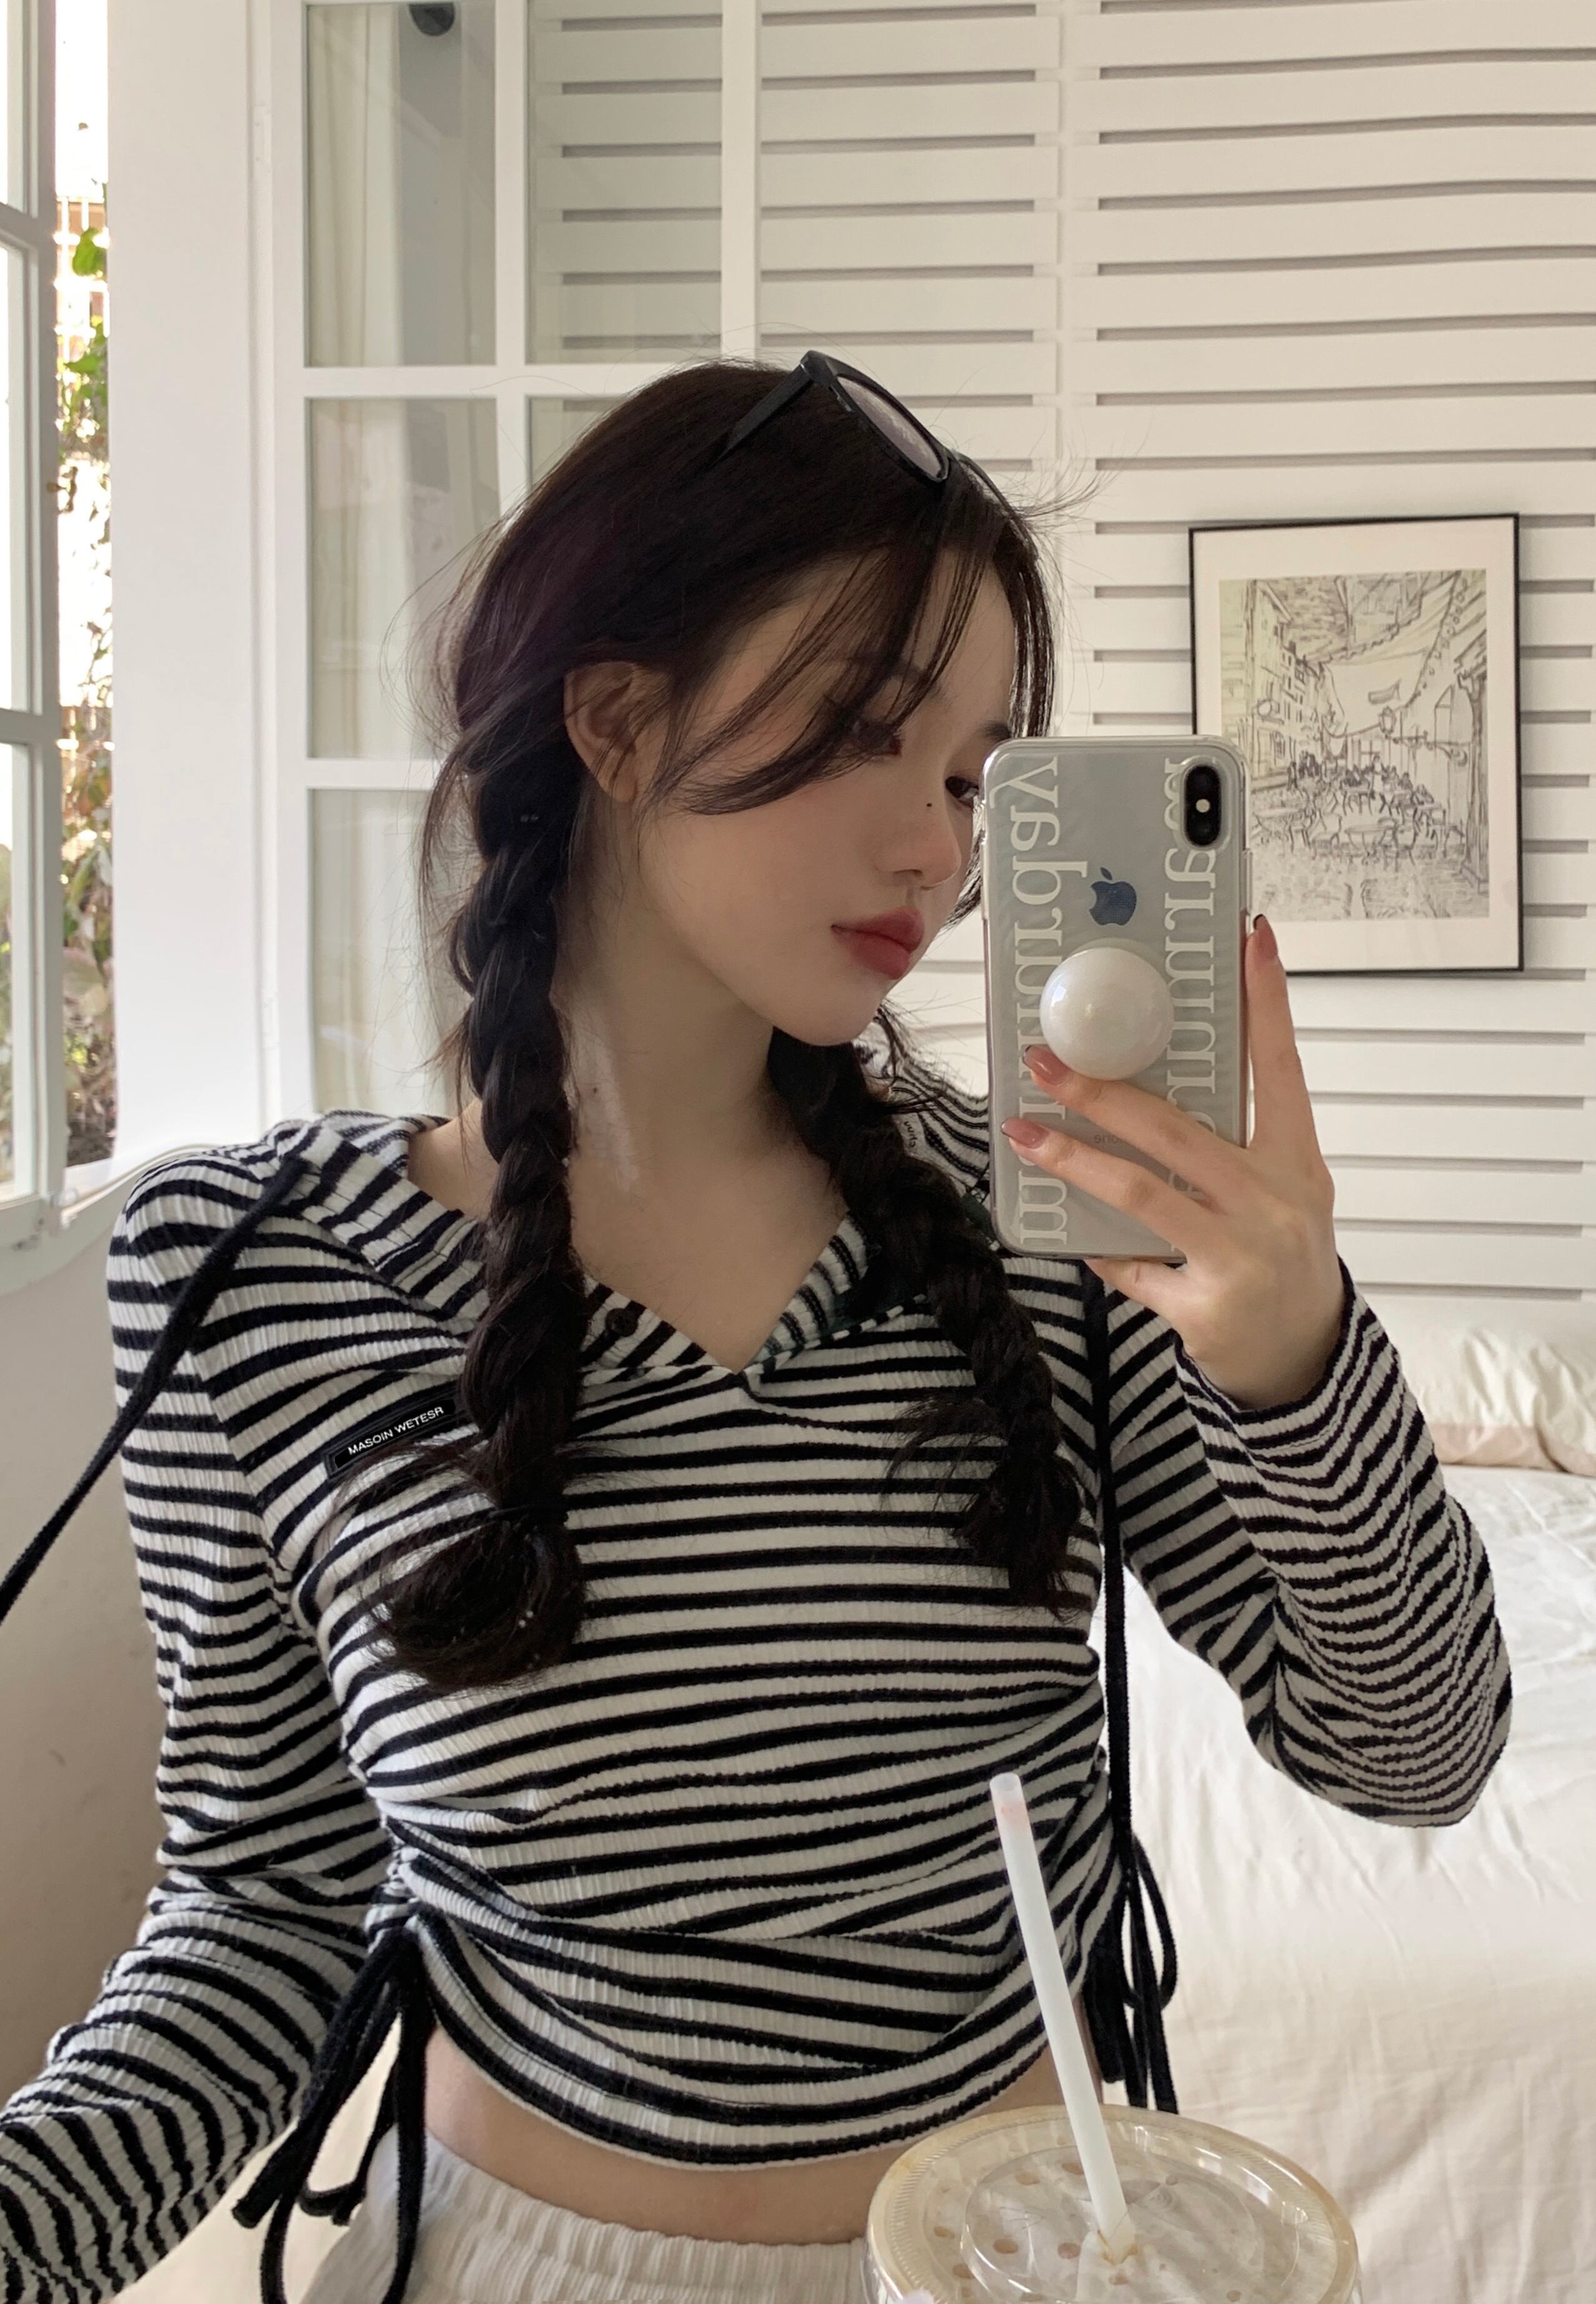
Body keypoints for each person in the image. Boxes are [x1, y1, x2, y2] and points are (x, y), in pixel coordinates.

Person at [0, 354, 1512, 2304]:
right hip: (511, 2266)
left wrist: (1295, 1352)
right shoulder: (247, 1270)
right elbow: (261, 1915)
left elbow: (1414, 1749)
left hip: (1003, 2262)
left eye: (971, 777)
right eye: (873, 734)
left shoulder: (1048, 1231)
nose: (941, 852)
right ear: (618, 722)